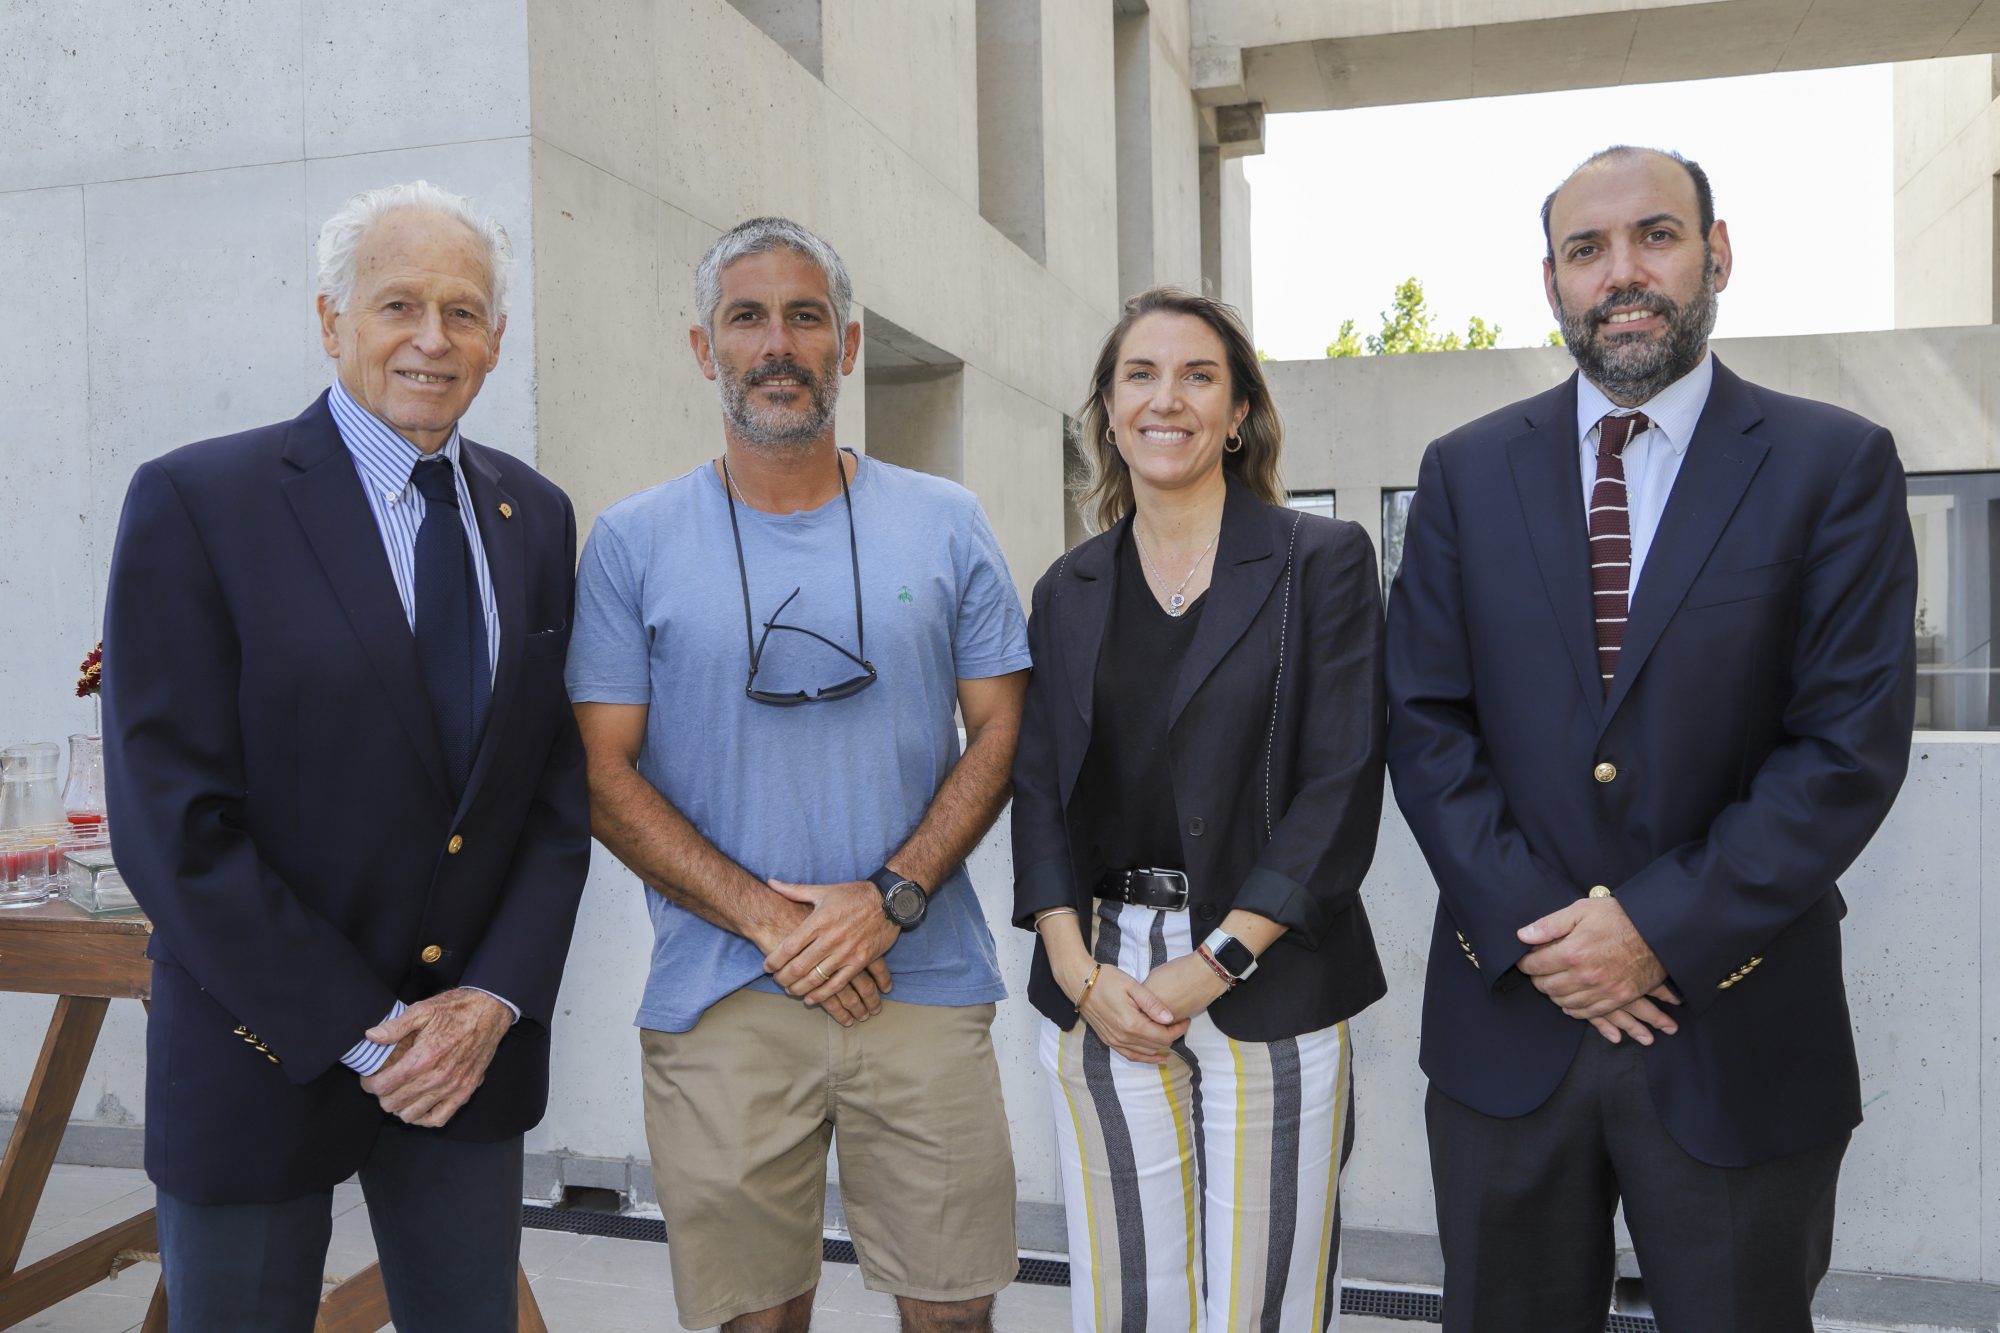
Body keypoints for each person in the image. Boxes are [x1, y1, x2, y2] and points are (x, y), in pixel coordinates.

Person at [1386, 146, 1918, 1332]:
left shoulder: (1832, 464)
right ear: (1550, 281)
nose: (1620, 272)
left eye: (1655, 236)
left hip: (1737, 1029)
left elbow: (1843, 749)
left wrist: (1652, 931)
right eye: (1585, 249)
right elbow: (1423, 724)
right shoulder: (1463, 473)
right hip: (1508, 1026)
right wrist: (1548, 935)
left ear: (1714, 255)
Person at [102, 181, 591, 1331]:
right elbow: (172, 822)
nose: (433, 339)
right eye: (398, 305)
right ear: (331, 321)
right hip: (258, 1043)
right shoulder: (198, 501)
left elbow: (549, 797)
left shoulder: (536, 516)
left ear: (496, 339)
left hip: (466, 1059)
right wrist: (364, 1035)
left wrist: (490, 1001)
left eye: (462, 312)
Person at [566, 215, 1030, 1333]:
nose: (777, 343)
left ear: (848, 344)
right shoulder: (631, 541)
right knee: (754, 1322)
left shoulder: (946, 520)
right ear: (703, 348)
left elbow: (1004, 727)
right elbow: (598, 772)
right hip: (722, 992)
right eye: (747, 318)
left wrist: (890, 898)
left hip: (920, 981)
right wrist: (778, 925)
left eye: (805, 316)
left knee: (954, 1315)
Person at [1010, 287, 1389, 1331]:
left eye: (1197, 376)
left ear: (1237, 414)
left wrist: (1216, 959)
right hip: (1101, 975)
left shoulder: (1321, 561)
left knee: (1260, 1307)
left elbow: (1341, 780)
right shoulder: (1066, 588)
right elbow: (1038, 788)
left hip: (1265, 965)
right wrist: (1074, 969)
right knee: (1127, 1303)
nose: (1165, 398)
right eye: (1139, 375)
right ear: (1108, 410)